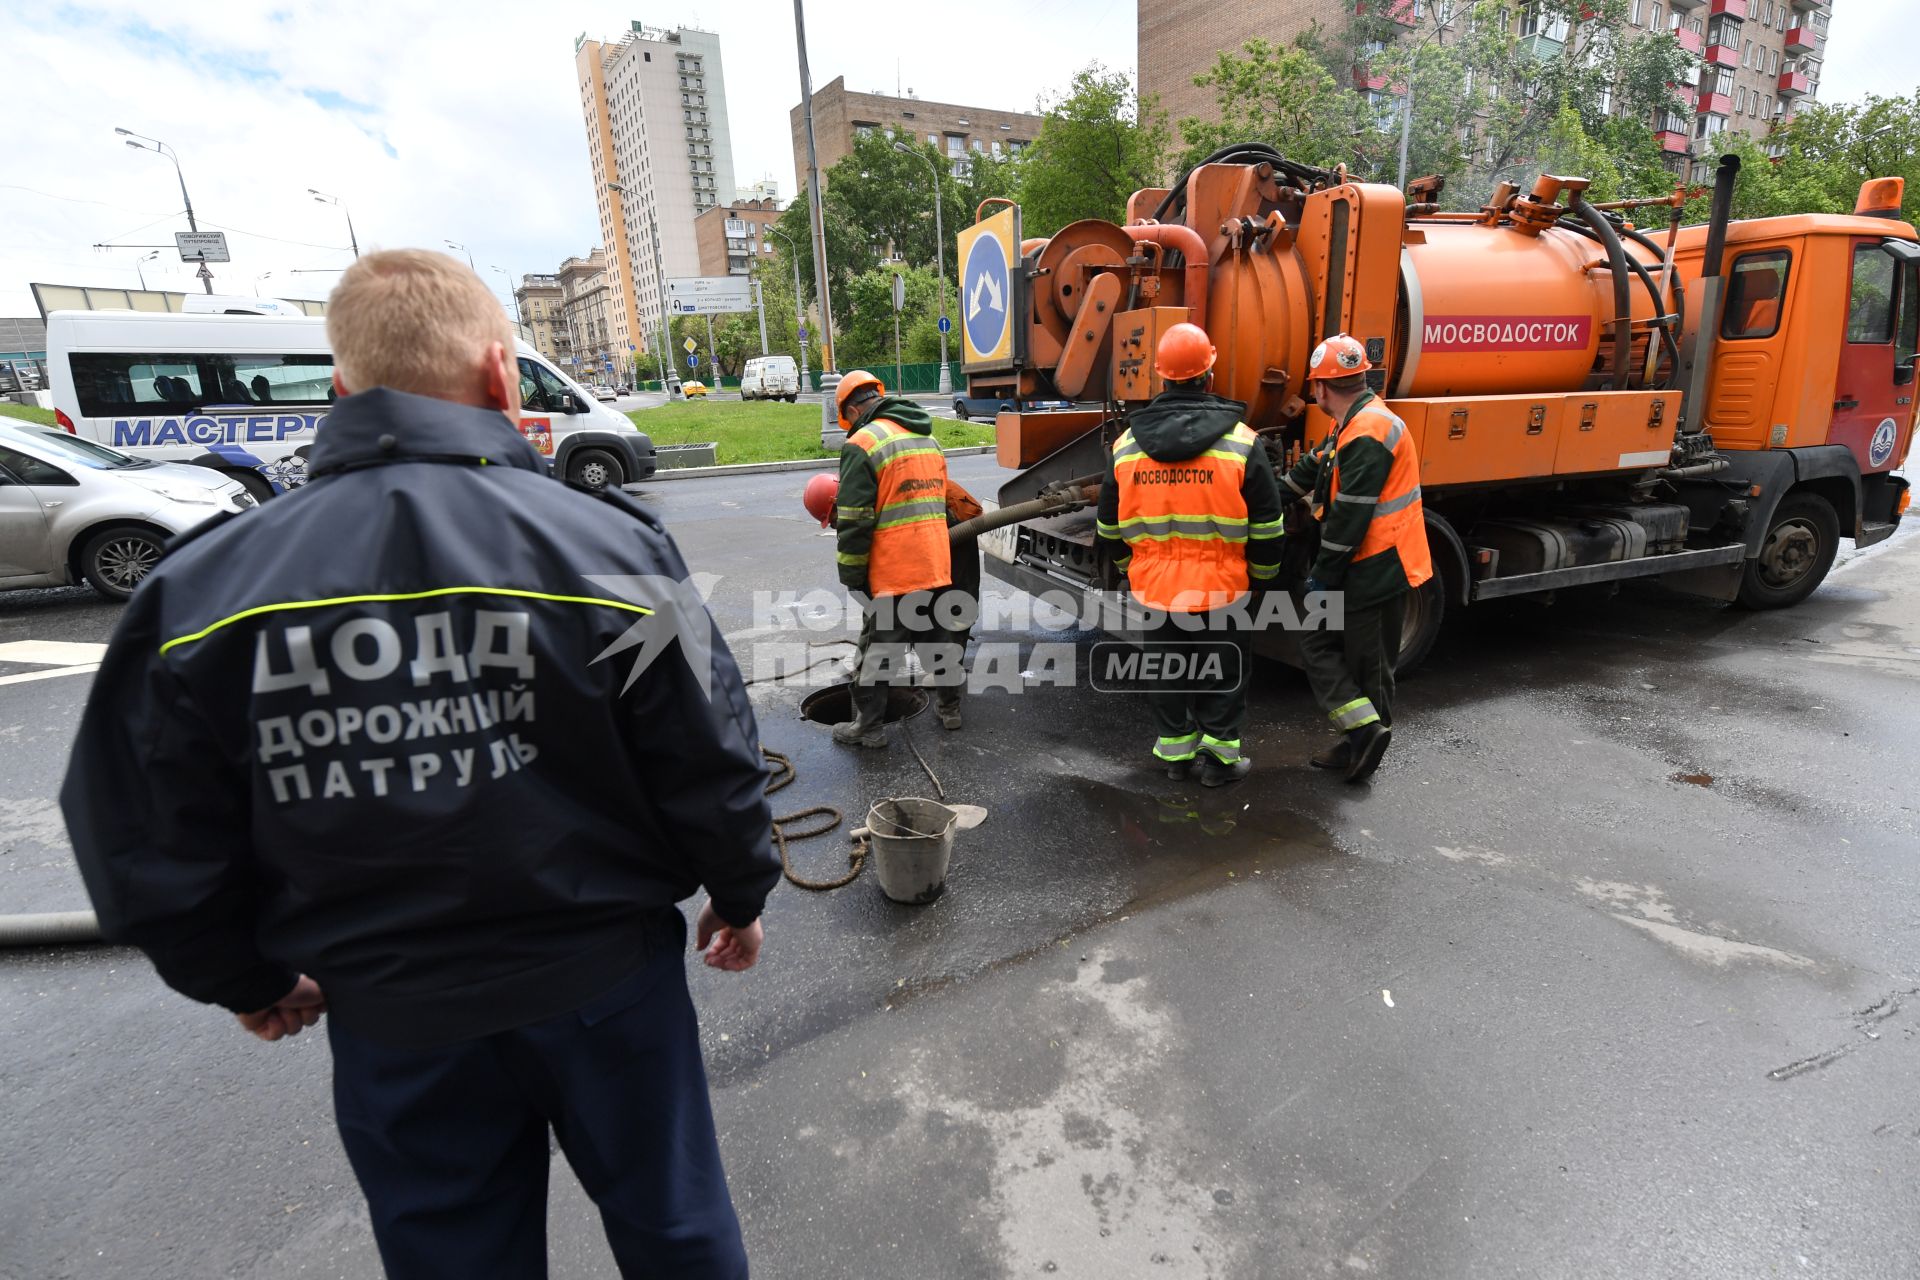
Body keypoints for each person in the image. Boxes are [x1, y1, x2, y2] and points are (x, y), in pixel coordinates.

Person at [60, 249, 779, 1279]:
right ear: (499, 378)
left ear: (343, 389)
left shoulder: (199, 590)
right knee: (675, 1227)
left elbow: (138, 825)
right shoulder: (622, 551)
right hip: (608, 988)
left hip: (395, 1017)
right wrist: (740, 887)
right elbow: (705, 745)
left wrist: (243, 976)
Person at [1096, 322, 1284, 787]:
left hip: (1157, 588)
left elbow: (1107, 525)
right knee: (1223, 673)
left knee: (1166, 672)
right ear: (1209, 375)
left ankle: (1176, 758)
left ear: (1162, 378)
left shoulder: (1125, 447)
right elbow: (1268, 523)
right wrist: (1260, 577)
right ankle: (1220, 762)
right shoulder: (1242, 442)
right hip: (1224, 588)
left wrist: (1130, 568)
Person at [1283, 332, 1432, 784]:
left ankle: (1367, 741)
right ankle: (1361, 731)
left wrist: (1321, 579)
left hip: (1378, 564)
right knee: (1320, 644)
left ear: (1322, 388)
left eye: (1314, 387)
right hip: (1365, 562)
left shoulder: (1367, 431)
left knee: (1370, 664)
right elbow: (1318, 464)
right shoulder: (1353, 420)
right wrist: (1271, 491)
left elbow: (1350, 519)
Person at [828, 370, 965, 746]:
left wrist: (852, 573)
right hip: (935, 561)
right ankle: (950, 710)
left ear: (853, 410)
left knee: (879, 651)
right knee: (940, 639)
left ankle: (868, 727)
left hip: (895, 569)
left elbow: (855, 519)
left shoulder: (863, 442)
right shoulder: (926, 437)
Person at [804, 469, 980, 731]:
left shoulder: (862, 510)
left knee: (944, 614)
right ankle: (949, 707)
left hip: (953, 523)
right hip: (930, 527)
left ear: (836, 503)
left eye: (832, 519)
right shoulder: (867, 495)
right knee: (933, 619)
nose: (834, 526)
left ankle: (871, 727)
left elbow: (866, 569)